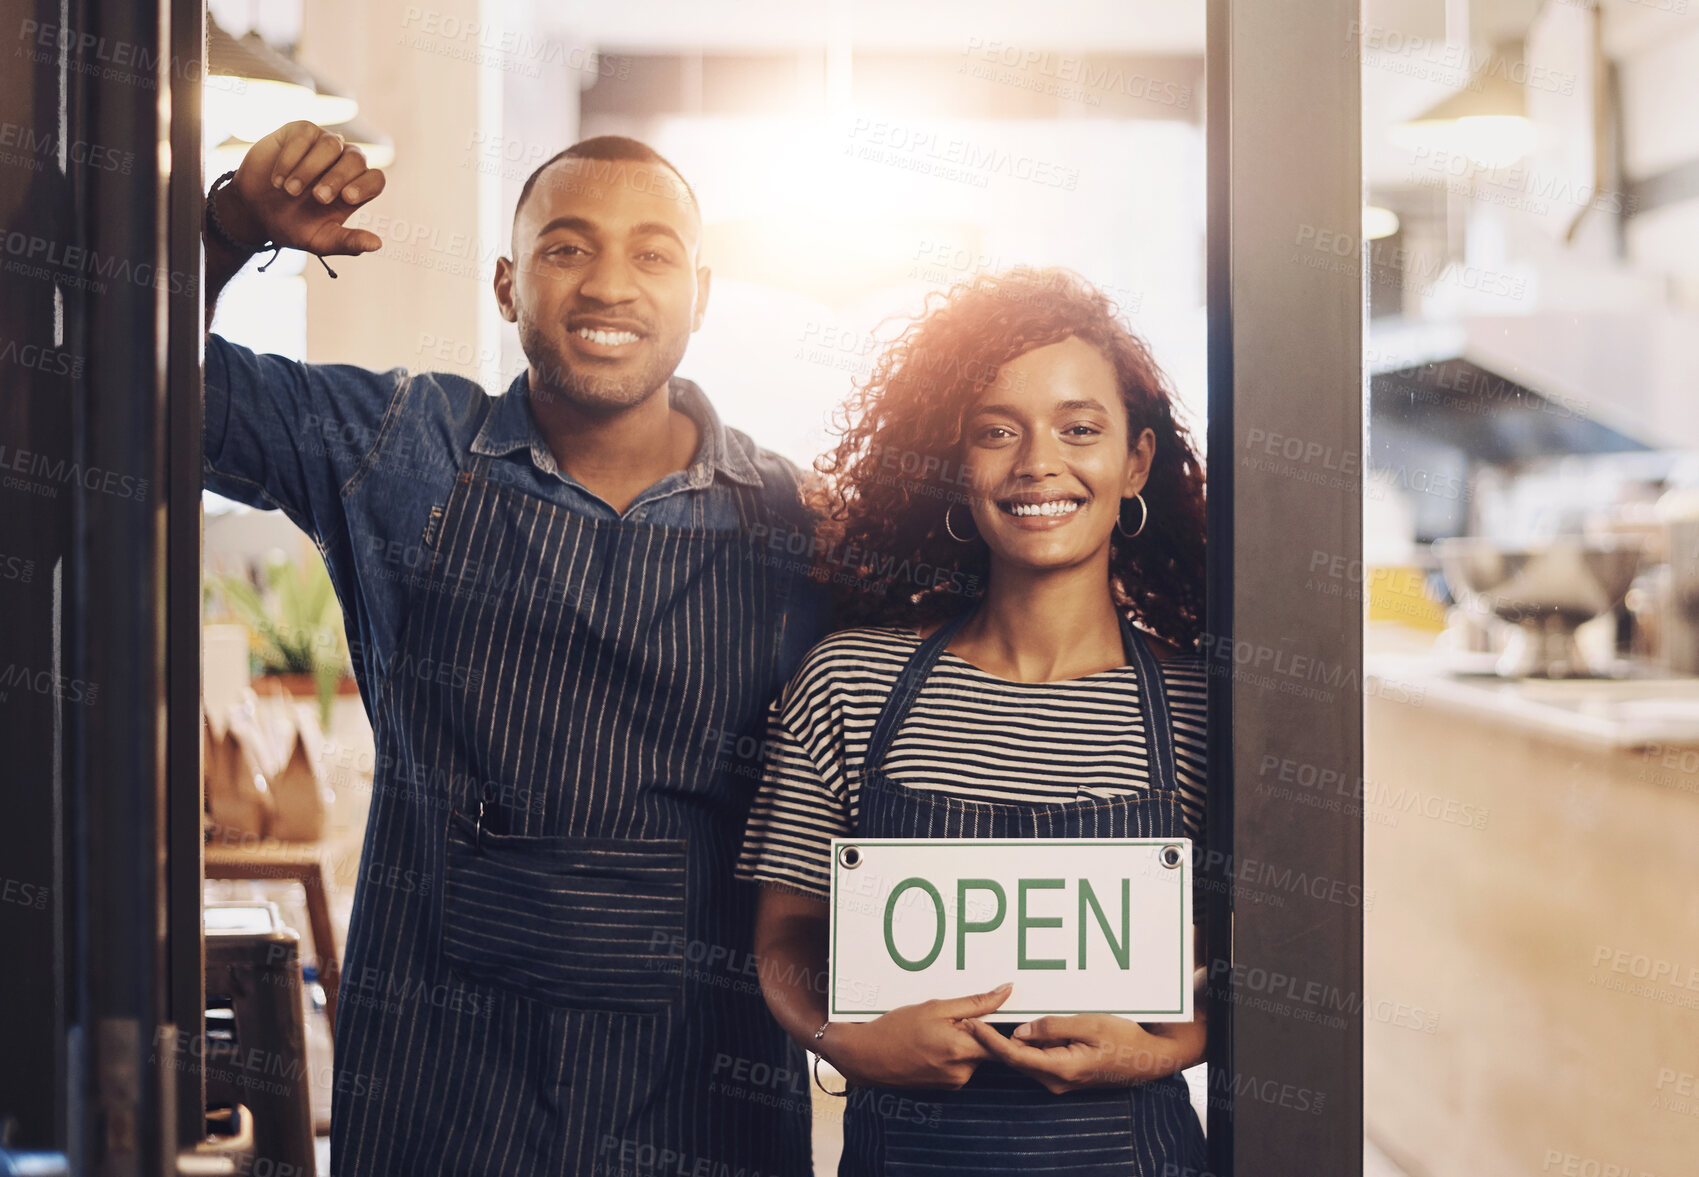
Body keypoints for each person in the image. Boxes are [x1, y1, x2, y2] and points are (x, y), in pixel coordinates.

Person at [201, 121, 824, 1176]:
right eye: (567, 247)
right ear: (507, 284)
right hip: (443, 1104)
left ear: (703, 294)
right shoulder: (402, 448)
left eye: (653, 253)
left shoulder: (797, 521)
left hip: (704, 1104)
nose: (609, 285)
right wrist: (222, 229)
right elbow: (134, 388)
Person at [738, 267, 1210, 1174]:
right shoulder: (851, 682)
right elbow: (784, 936)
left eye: (1080, 429)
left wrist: (1156, 1050)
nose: (1038, 462)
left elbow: (1258, 971)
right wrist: (841, 1039)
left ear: (1136, 460)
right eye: (998, 432)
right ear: (956, 462)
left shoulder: (1194, 706)